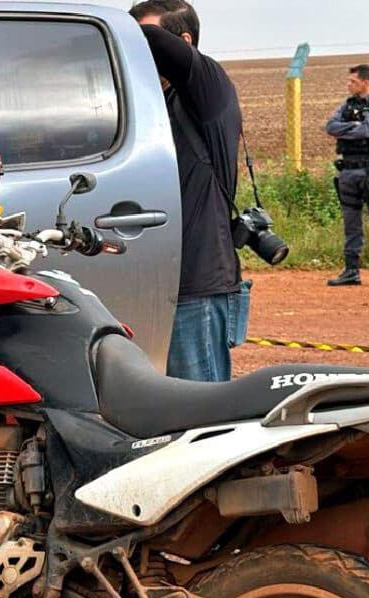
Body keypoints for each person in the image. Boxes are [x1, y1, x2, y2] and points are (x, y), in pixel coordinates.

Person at [129, 0, 250, 382]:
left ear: (185, 41)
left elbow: (149, 38)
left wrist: (111, 29)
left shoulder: (208, 88)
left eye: (143, 40)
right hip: (154, 285)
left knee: (201, 418)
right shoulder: (150, 105)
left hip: (195, 287)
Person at [325, 65, 369, 289]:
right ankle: (351, 271)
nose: (349, 84)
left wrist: (350, 129)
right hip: (348, 172)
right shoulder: (347, 105)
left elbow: (367, 130)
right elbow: (330, 126)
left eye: (352, 81)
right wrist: (354, 126)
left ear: (365, 82)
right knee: (351, 223)